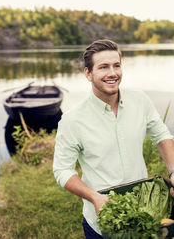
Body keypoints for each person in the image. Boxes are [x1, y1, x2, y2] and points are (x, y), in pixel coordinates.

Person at [53, 39, 174, 239]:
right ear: (88, 74)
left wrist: (172, 171)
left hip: (145, 212)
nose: (112, 73)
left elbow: (161, 136)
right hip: (102, 221)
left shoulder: (140, 101)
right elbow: (62, 170)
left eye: (116, 65)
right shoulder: (72, 120)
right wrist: (94, 197)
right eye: (103, 67)